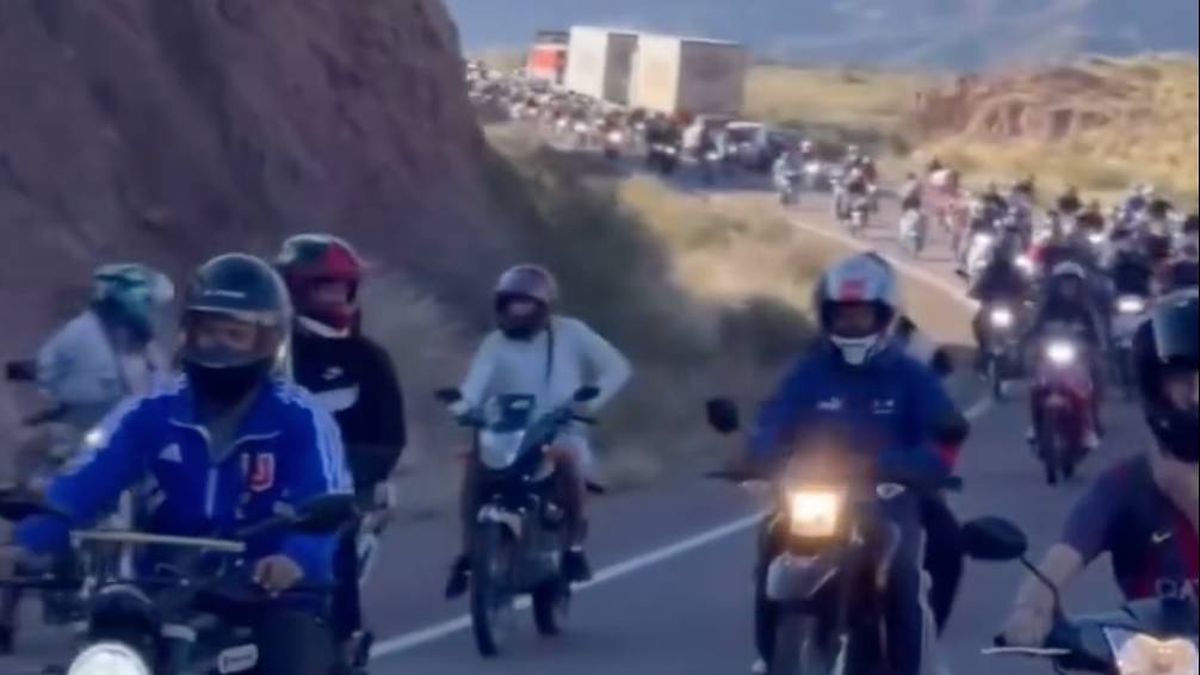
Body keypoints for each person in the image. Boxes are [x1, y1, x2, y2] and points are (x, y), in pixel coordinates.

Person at [0, 253, 353, 674]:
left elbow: (326, 503)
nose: (217, 344)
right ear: (188, 333)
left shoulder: (302, 418)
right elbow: (82, 482)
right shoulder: (149, 411)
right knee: (105, 643)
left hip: (270, 593)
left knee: (296, 658)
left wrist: (293, 558)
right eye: (207, 331)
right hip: (162, 587)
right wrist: (25, 546)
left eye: (234, 334)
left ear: (268, 339)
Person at [745, 253, 967, 675]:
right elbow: (774, 416)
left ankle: (915, 666)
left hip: (888, 497)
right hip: (814, 493)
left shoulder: (910, 375)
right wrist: (760, 451)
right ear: (827, 317)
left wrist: (912, 465)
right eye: (842, 316)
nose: (851, 325)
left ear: (884, 317)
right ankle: (772, 653)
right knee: (770, 539)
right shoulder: (809, 372)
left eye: (861, 316)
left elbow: (941, 432)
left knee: (904, 573)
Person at [1002, 289, 1198, 647]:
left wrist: (1186, 493)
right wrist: (1032, 607)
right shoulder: (1128, 482)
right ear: (1157, 388)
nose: (1197, 396)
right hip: (1156, 660)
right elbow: (1067, 552)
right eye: (1184, 382)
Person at [444, 265, 632, 598]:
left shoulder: (571, 333)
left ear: (543, 307)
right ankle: (468, 552)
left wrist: (586, 404)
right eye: (511, 304)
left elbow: (617, 368)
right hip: (507, 430)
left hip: (561, 429)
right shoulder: (494, 343)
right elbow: (473, 386)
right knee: (473, 469)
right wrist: (463, 408)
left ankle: (573, 548)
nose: (517, 311)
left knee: (569, 462)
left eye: (525, 304)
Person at [276, 234, 406, 670]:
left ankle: (345, 635)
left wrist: (345, 476)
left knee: (336, 534)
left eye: (339, 285)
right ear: (295, 290)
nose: (334, 295)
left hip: (341, 484)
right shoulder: (268, 353)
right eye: (321, 286)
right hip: (260, 480)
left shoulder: (369, 359)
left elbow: (389, 437)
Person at [32, 263, 175, 460]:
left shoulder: (146, 344)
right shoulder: (81, 331)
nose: (151, 313)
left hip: (123, 425)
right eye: (147, 305)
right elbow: (46, 367)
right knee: (60, 464)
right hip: (79, 422)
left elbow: (164, 380)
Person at [1022, 261, 1106, 450]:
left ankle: (1090, 423)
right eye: (1065, 283)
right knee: (1036, 385)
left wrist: (1095, 345)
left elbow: (1097, 333)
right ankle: (1035, 426)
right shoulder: (1047, 308)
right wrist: (1030, 340)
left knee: (1095, 377)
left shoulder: (1085, 309)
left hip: (1078, 358)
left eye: (1073, 283)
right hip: (1049, 357)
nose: (1069, 287)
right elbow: (1034, 329)